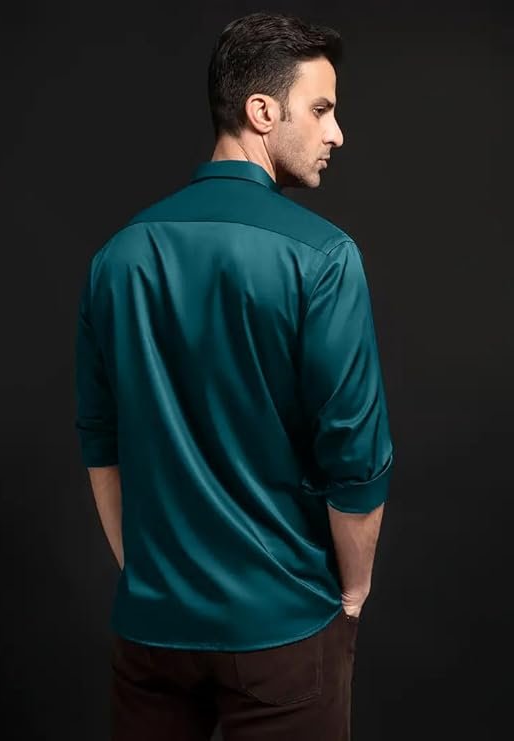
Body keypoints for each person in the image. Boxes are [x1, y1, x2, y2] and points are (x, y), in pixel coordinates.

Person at [74, 10, 394, 741]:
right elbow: (357, 461)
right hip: (282, 627)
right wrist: (352, 594)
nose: (337, 133)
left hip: (152, 629)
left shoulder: (115, 257)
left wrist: (150, 574)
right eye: (321, 109)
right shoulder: (324, 257)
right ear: (261, 112)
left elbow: (101, 440)